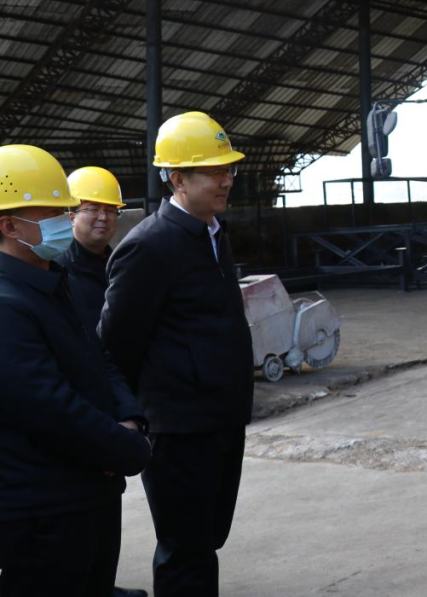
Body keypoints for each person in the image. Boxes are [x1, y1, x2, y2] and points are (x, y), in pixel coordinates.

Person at [99, 112, 253, 597]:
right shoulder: (149, 246)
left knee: (206, 541)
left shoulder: (213, 234)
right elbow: (115, 345)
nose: (226, 180)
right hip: (179, 429)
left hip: (220, 420)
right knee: (184, 550)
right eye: (213, 171)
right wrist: (128, 420)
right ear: (177, 178)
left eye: (229, 169)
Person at [0, 145, 151, 597]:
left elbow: (98, 357)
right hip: (44, 508)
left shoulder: (53, 280)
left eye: (64, 211)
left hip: (91, 491)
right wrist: (125, 448)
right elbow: (50, 408)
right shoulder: (7, 304)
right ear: (8, 226)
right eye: (51, 213)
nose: (63, 222)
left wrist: (130, 417)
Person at [56, 166, 148, 597]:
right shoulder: (58, 272)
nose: (102, 218)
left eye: (110, 210)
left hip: (115, 397)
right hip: (84, 405)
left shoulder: (116, 263)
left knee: (108, 500)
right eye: (91, 208)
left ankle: (102, 584)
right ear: (70, 214)